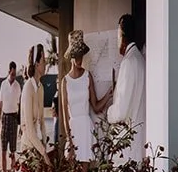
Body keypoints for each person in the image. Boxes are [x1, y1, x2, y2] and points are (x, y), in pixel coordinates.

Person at [58, 29, 112, 162]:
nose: (79, 58)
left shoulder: (88, 76)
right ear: (71, 56)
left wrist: (108, 94)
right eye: (76, 55)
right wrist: (69, 140)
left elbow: (96, 107)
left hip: (86, 128)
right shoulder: (65, 81)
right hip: (73, 130)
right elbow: (65, 116)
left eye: (81, 54)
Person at [105, 12, 146, 163]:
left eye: (117, 35)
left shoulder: (129, 63)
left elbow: (121, 111)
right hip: (136, 140)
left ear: (122, 35)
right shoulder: (139, 59)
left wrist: (109, 112)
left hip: (127, 144)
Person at [18, 44, 47, 159]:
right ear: (36, 63)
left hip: (38, 147)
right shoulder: (28, 88)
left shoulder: (41, 88)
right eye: (43, 60)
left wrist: (44, 143)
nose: (46, 64)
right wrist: (44, 154)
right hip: (28, 150)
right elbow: (30, 130)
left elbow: (42, 122)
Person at [0, 60, 23, 172]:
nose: (13, 76)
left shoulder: (18, 86)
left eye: (15, 74)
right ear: (8, 71)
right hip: (4, 118)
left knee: (12, 150)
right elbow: (0, 104)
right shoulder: (3, 84)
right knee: (3, 150)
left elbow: (20, 106)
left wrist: (21, 124)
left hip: (13, 118)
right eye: (12, 74)